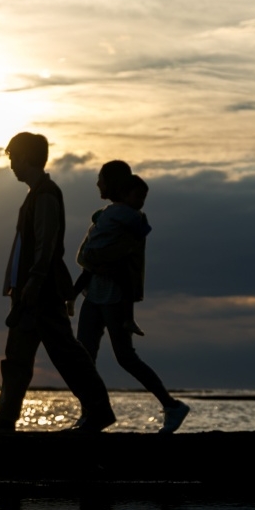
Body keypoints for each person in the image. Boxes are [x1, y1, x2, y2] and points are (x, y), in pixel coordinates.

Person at [0, 132, 117, 433]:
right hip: (30, 291)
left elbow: (46, 244)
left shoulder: (46, 194)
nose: (11, 165)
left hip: (41, 291)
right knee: (18, 356)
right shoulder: (36, 194)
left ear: (25, 157)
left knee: (65, 352)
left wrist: (34, 282)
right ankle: (5, 417)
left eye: (12, 158)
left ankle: (98, 411)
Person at [74, 161, 190, 434]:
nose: (97, 184)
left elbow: (120, 258)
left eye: (100, 178)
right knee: (83, 357)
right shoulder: (106, 215)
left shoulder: (130, 220)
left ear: (114, 183)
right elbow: (92, 254)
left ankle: (171, 406)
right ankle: (90, 412)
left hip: (114, 296)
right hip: (94, 293)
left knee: (125, 357)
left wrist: (94, 263)